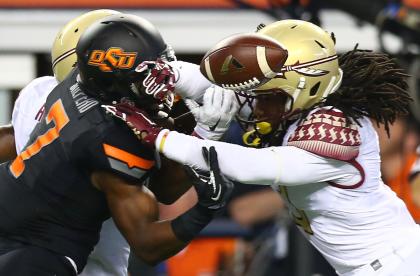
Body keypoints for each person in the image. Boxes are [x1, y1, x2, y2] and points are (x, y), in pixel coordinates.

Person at [106, 19, 420, 276]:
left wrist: (160, 136)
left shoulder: (337, 128)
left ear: (304, 85)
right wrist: (163, 72)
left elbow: (253, 165)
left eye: (267, 95)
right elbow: (210, 86)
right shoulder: (295, 103)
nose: (256, 105)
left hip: (397, 264)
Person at [0, 14, 233, 276]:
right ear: (117, 81)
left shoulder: (77, 84)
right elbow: (148, 245)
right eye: (150, 75)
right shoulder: (110, 138)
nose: (164, 80)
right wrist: (204, 209)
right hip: (37, 252)